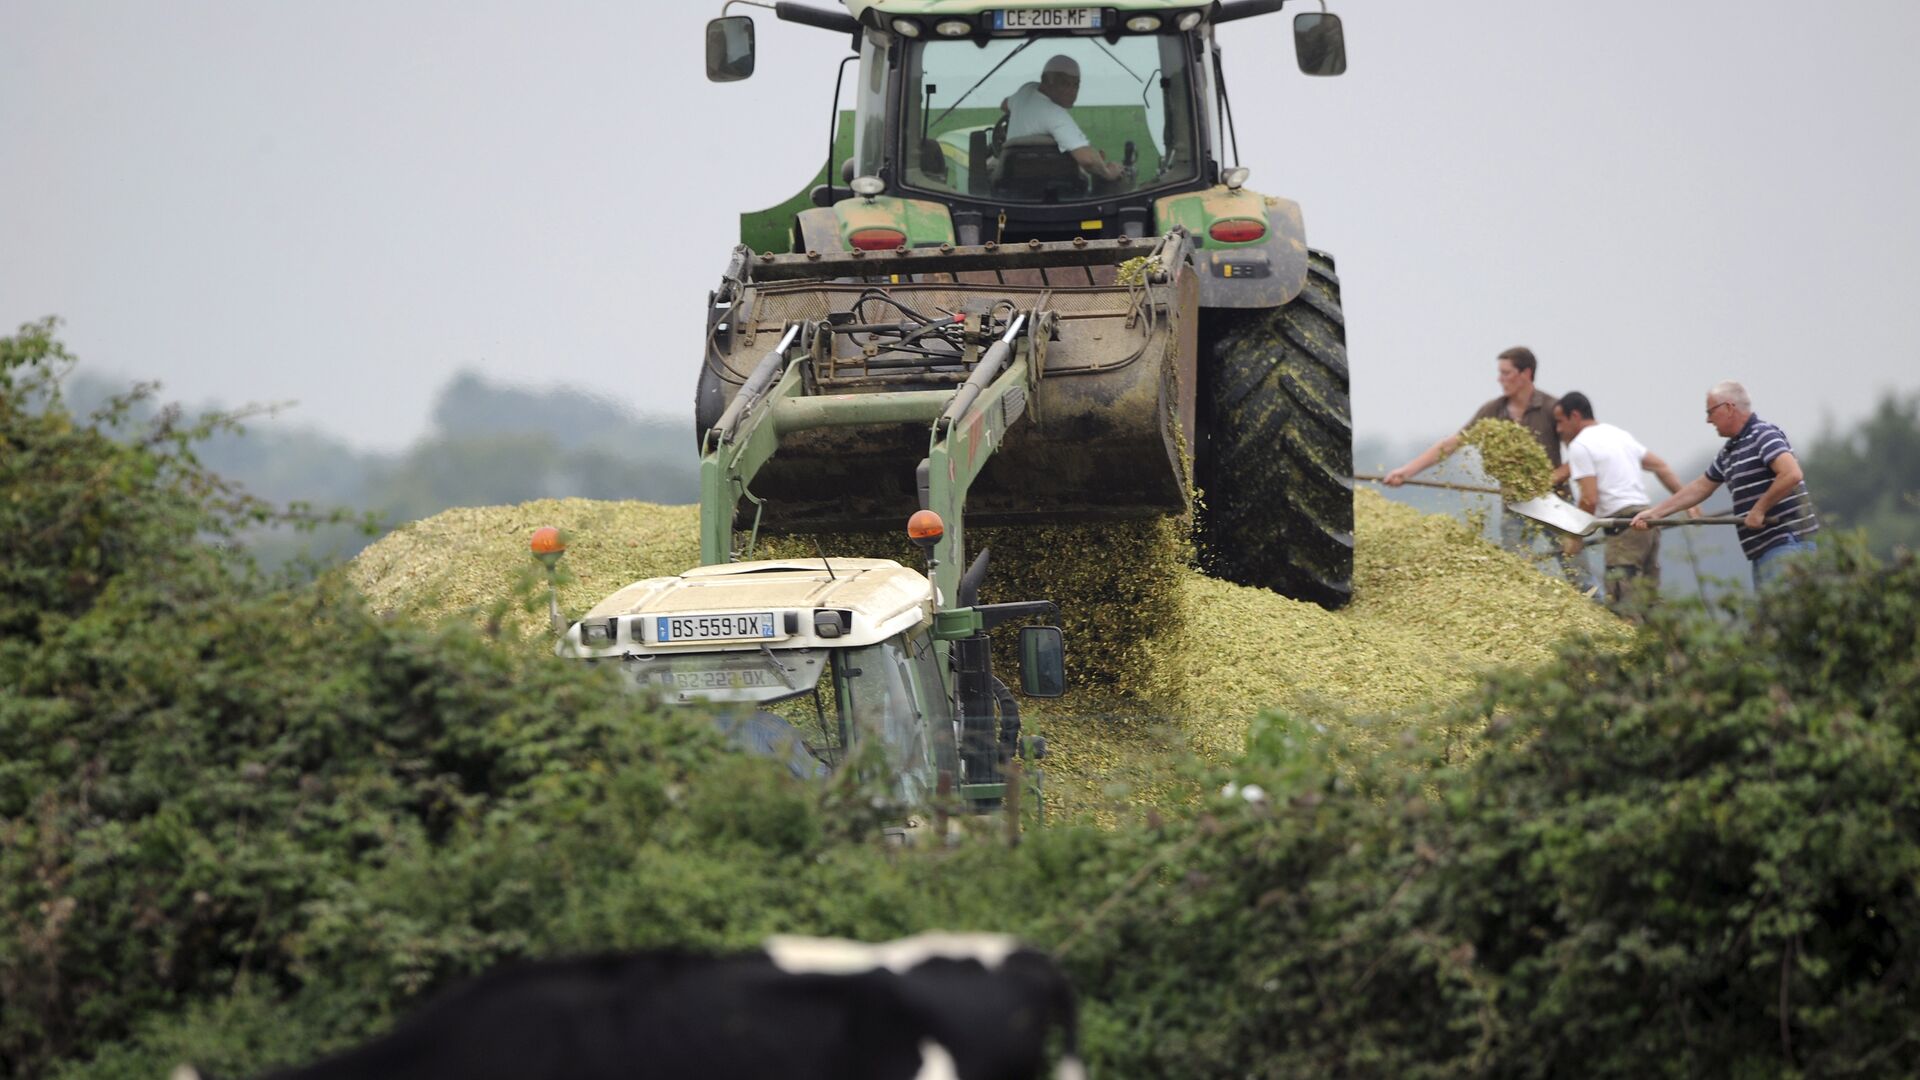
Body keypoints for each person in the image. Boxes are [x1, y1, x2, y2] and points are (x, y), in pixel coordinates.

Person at [1384, 346, 1596, 592]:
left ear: (1526, 374)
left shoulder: (1552, 408)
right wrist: (1407, 471)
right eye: (1500, 373)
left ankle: (1598, 616)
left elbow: (1585, 450)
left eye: (1506, 373)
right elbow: (1453, 443)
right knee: (1514, 574)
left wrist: (1553, 477)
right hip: (1515, 505)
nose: (1500, 379)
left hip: (1556, 502)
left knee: (1579, 574)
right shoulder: (1493, 412)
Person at [1630, 381, 1820, 588]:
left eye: (1710, 412)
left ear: (1729, 408)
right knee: (1772, 618)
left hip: (1787, 543)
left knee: (1784, 616)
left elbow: (1791, 474)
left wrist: (1759, 510)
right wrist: (1656, 513)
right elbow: (1701, 487)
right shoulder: (1729, 451)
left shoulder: (1763, 434)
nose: (1708, 420)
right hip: (1763, 549)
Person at [1552, 391, 1696, 618]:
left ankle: (1631, 649)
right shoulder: (1618, 435)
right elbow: (1660, 466)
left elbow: (1589, 498)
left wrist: (1575, 536)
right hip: (1648, 522)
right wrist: (1688, 501)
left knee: (1623, 602)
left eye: (1560, 422)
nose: (1558, 429)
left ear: (1575, 416)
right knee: (1649, 601)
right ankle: (1662, 649)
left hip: (1624, 528)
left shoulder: (1580, 445)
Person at [1000, 55, 1126, 184]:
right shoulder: (1055, 115)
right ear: (1045, 81)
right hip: (1053, 188)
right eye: (1064, 83)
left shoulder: (1026, 90)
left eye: (1076, 84)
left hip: (1011, 185)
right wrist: (1108, 172)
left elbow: (1004, 105)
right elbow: (1087, 160)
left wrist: (1023, 113)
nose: (1071, 91)